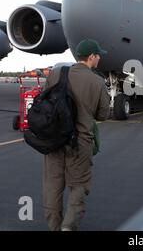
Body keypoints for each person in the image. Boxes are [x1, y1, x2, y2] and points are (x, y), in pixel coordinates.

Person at [42, 39, 110, 231]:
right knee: (78, 186)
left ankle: (54, 226)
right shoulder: (97, 81)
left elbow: (45, 102)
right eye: (98, 56)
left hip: (54, 140)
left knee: (52, 185)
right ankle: (68, 227)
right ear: (91, 57)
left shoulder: (55, 74)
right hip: (80, 143)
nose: (99, 59)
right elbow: (103, 115)